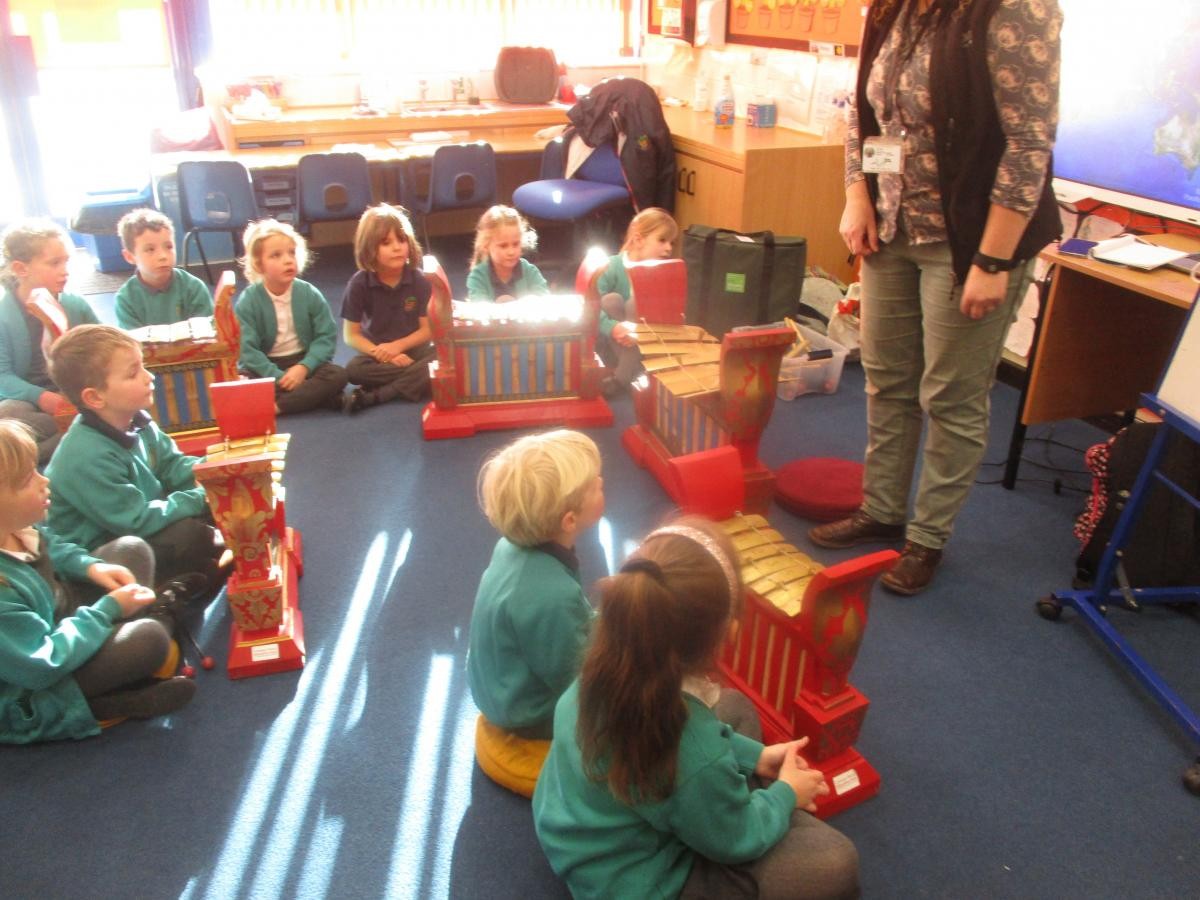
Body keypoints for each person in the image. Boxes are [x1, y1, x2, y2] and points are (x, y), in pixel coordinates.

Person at [811, 0, 1064, 595]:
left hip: (970, 239)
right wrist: (858, 197)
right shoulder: (893, 9)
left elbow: (1029, 144)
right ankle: (882, 510)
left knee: (950, 395)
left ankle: (927, 540)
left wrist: (993, 258)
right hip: (892, 231)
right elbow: (863, 119)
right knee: (888, 378)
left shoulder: (1016, 10)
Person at [533, 517, 860, 900]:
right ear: (729, 632)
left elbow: (695, 754)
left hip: (578, 833)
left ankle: (728, 799)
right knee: (837, 863)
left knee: (734, 707)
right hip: (636, 881)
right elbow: (736, 839)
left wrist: (758, 756)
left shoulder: (604, 666)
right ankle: (735, 805)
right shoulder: (688, 751)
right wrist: (786, 794)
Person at [0, 420, 194, 743]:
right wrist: (107, 611)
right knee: (149, 640)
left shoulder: (15, 528)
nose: (43, 481)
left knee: (131, 550)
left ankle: (134, 653)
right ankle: (103, 701)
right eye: (26, 481)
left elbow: (53, 546)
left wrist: (92, 568)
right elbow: (42, 665)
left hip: (59, 618)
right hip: (35, 682)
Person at [44, 325, 225, 589]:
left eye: (143, 366)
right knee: (190, 535)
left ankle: (201, 567)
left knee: (225, 502)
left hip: (141, 518)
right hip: (104, 550)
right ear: (95, 397)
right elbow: (135, 521)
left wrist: (215, 473)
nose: (148, 377)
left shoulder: (137, 420)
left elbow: (173, 466)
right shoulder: (85, 455)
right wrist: (201, 496)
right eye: (133, 373)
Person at [467, 430, 603, 745]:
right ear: (569, 521)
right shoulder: (552, 596)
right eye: (594, 486)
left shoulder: (509, 547)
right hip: (526, 714)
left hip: (498, 685)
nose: (601, 483)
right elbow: (574, 677)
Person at [0, 220, 99, 464]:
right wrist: (43, 398)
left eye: (66, 261)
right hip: (29, 401)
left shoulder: (75, 305)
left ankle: (27, 459)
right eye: (54, 263)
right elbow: (3, 376)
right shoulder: (3, 315)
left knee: (93, 411)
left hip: (76, 395)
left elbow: (103, 349)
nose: (65, 270)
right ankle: (75, 439)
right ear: (21, 269)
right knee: (9, 414)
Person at [235, 219, 348, 415]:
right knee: (241, 382)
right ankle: (313, 397)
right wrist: (278, 376)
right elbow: (247, 350)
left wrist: (304, 367)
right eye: (276, 255)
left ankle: (279, 406)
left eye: (291, 253)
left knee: (337, 375)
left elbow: (326, 337)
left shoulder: (309, 293)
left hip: (303, 362)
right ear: (259, 264)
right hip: (266, 365)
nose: (288, 260)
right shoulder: (248, 300)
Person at [340, 204, 435, 413]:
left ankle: (380, 394)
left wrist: (399, 346)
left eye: (401, 240)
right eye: (386, 243)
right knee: (353, 371)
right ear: (370, 248)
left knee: (442, 356)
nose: (397, 247)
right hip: (379, 354)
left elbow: (428, 330)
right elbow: (351, 335)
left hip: (415, 350)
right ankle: (415, 380)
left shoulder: (420, 280)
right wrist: (388, 354)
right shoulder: (359, 282)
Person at [595, 207, 679, 394]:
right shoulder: (612, 266)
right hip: (615, 344)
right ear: (639, 240)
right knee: (610, 300)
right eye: (662, 240)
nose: (669, 248)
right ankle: (632, 371)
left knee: (635, 303)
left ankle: (622, 378)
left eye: (671, 242)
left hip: (648, 342)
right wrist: (613, 327)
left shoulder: (664, 272)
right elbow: (590, 306)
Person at [113, 208, 213, 329]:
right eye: (150, 249)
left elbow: (208, 333)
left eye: (169, 247)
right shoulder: (125, 299)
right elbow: (131, 345)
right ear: (130, 257)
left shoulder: (194, 288)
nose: (163, 256)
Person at [465, 205, 549, 302]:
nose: (511, 252)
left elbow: (544, 301)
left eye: (516, 244)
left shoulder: (529, 271)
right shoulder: (478, 276)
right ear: (486, 246)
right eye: (503, 246)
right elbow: (478, 310)